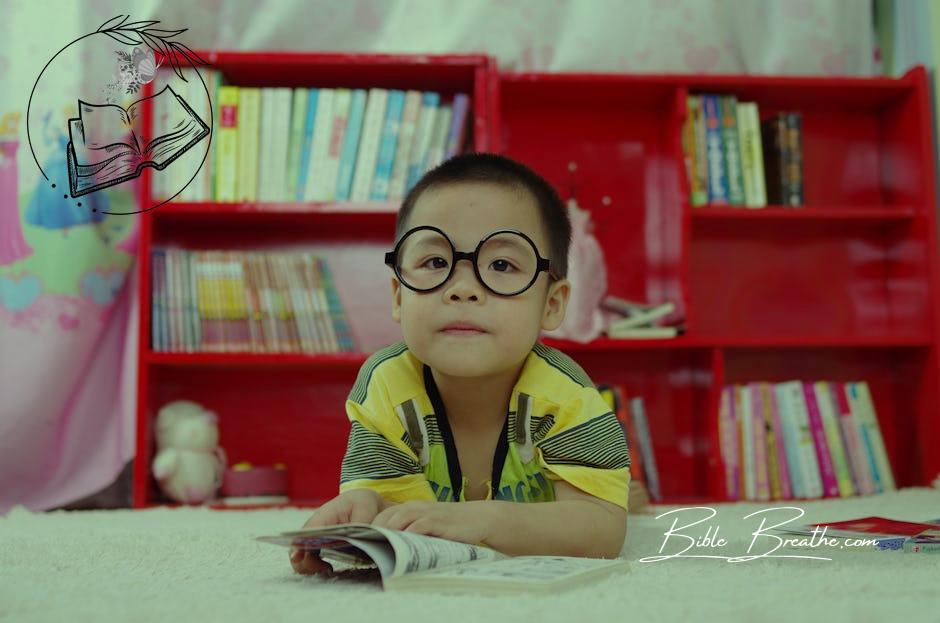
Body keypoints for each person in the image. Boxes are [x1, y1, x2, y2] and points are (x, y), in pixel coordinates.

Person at [292, 152, 633, 575]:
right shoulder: (385, 385)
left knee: (624, 498)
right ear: (398, 296)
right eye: (436, 262)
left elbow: (603, 529)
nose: (464, 289)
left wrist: (485, 520)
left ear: (552, 304)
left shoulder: (566, 396)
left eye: (502, 264)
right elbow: (396, 510)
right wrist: (366, 508)